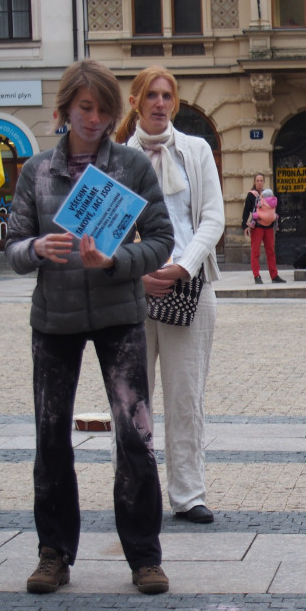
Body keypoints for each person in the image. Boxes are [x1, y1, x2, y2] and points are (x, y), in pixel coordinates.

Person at [4, 59, 174, 595]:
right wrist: (35, 248)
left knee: (135, 435)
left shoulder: (130, 166)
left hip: (119, 316)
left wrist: (117, 261)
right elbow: (13, 245)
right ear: (65, 110)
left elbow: (162, 240)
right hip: (53, 319)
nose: (94, 119)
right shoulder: (35, 171)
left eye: (103, 109)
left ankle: (144, 556)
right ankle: (53, 552)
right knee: (50, 436)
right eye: (85, 108)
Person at [115, 66, 226, 524]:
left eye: (167, 96)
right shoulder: (117, 157)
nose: (160, 103)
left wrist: (184, 264)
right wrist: (137, 272)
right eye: (151, 95)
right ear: (136, 102)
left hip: (190, 287)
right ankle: (135, 493)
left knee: (186, 397)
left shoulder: (195, 151)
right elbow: (107, 230)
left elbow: (212, 217)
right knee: (131, 400)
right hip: (131, 290)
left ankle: (188, 494)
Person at [242, 173, 284, 284]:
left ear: (264, 182)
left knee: (271, 252)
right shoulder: (251, 195)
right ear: (254, 182)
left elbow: (273, 209)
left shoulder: (268, 194)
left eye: (261, 180)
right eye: (257, 180)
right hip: (257, 227)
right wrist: (245, 226)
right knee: (255, 252)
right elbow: (246, 211)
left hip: (269, 227)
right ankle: (257, 276)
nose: (259, 182)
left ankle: (274, 276)